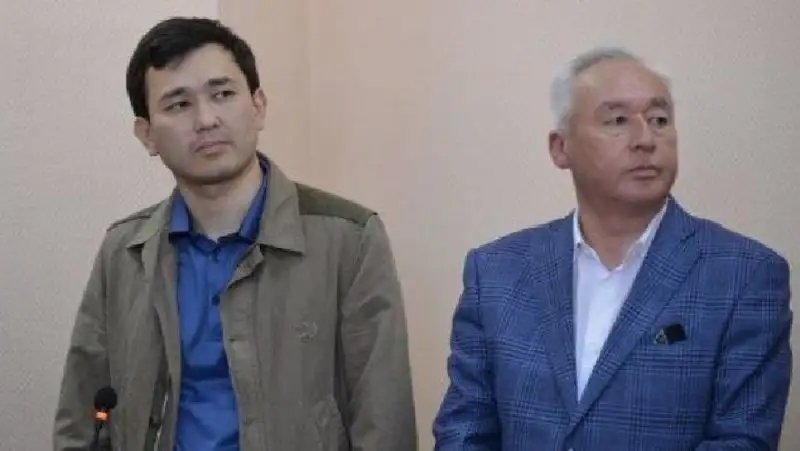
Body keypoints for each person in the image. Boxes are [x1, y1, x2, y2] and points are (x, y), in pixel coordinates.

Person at [53, 16, 417, 451]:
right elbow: (81, 419)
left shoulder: (349, 240)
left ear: (258, 106)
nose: (206, 119)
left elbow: (384, 423)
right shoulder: (124, 252)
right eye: (178, 105)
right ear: (147, 134)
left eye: (222, 94)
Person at [433, 46, 793, 450]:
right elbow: (464, 431)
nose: (645, 139)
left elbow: (742, 441)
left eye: (659, 120)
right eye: (618, 120)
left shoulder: (745, 275)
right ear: (560, 148)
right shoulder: (496, 272)